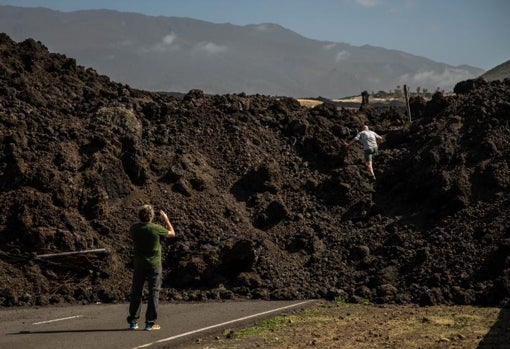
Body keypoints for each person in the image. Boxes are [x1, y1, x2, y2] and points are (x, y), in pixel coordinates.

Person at [126, 204, 176, 331]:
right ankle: (150, 322)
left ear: (139, 215)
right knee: (154, 292)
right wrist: (166, 219)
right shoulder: (156, 229)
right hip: (154, 265)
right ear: (152, 216)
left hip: (139, 265)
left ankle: (133, 321)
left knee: (137, 291)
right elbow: (172, 233)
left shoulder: (134, 228)